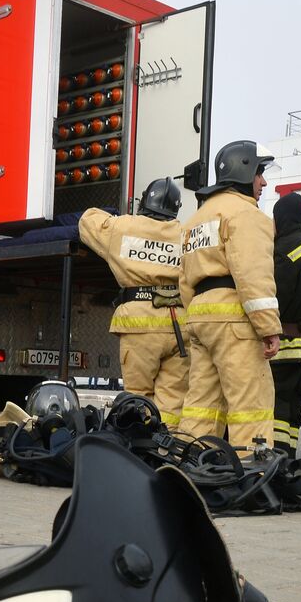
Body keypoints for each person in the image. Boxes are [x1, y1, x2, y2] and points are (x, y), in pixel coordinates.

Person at [178, 140, 280, 453]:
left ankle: (190, 465)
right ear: (244, 170)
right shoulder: (247, 214)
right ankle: (253, 476)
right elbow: (252, 274)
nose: (263, 182)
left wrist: (197, 316)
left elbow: (184, 280)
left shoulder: (196, 220)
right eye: (260, 173)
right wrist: (269, 327)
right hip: (234, 320)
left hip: (200, 317)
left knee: (201, 404)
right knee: (251, 403)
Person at [77, 178, 188, 427]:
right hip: (179, 326)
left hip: (139, 326)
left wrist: (116, 215)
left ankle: (139, 451)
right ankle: (166, 450)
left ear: (145, 201)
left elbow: (86, 221)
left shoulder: (123, 227)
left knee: (138, 396)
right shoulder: (185, 233)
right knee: (173, 401)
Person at [266, 192, 301, 453]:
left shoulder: (285, 249)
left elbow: (277, 295)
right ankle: (286, 456)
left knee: (275, 403)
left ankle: (275, 460)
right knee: (290, 406)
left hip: (283, 340)